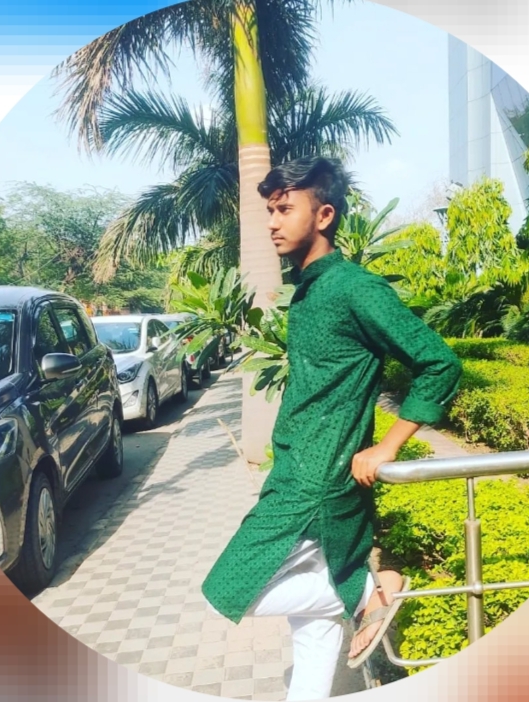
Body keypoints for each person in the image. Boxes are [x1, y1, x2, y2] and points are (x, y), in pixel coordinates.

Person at [202, 156, 462, 700]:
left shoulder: (354, 288)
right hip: (298, 470)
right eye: (270, 210)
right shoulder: (308, 290)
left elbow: (439, 362)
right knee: (314, 637)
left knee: (230, 589)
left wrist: (387, 446)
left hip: (316, 485)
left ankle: (368, 592)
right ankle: (350, 597)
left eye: (284, 209)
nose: (272, 222)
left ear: (324, 215)